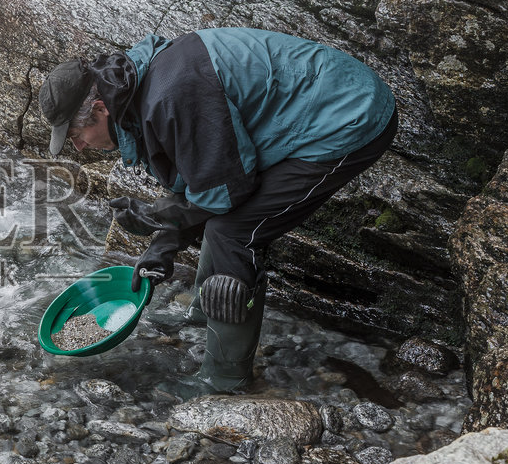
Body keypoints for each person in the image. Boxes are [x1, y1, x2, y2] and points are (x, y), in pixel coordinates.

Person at [40, 27, 397, 394]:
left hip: (348, 115)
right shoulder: (135, 92)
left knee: (233, 233)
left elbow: (225, 190)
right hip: (309, 107)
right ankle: (203, 315)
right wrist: (163, 245)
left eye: (76, 136)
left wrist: (156, 216)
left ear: (100, 109)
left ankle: (225, 379)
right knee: (223, 222)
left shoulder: (171, 96)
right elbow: (199, 175)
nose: (78, 147)